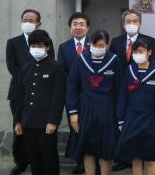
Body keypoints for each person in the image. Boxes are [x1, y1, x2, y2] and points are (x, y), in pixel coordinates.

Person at [66, 29, 122, 175]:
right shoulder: (80, 59)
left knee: (106, 152)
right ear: (90, 43)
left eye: (102, 45)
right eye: (95, 44)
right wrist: (73, 112)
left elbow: (120, 89)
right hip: (86, 109)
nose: (98, 47)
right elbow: (72, 86)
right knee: (87, 150)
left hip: (108, 110)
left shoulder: (114, 60)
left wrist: (120, 115)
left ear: (108, 45)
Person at [6, 9, 55, 175]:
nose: (28, 22)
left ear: (38, 23)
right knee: (20, 129)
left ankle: (39, 163)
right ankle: (21, 162)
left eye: (31, 20)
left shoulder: (46, 42)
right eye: (25, 19)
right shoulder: (13, 42)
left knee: (40, 136)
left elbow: (51, 63)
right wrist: (26, 78)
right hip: (19, 93)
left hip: (42, 95)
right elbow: (11, 66)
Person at [109, 9, 155, 171]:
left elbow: (152, 67)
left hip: (141, 91)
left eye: (134, 21)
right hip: (120, 90)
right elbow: (112, 65)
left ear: (140, 23)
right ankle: (124, 158)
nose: (131, 24)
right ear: (123, 24)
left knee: (140, 126)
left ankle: (141, 157)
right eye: (128, 21)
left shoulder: (149, 40)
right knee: (122, 124)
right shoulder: (115, 42)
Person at [14, 30, 66, 175]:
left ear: (47, 47)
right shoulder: (25, 68)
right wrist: (18, 121)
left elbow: (58, 97)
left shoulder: (56, 67)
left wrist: (53, 121)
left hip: (46, 122)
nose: (36, 48)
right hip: (28, 122)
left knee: (49, 158)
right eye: (33, 45)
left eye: (39, 45)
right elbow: (21, 97)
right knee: (34, 158)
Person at [115, 37, 155, 175]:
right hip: (132, 119)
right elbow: (123, 95)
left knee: (151, 159)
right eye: (135, 51)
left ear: (149, 52)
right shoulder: (130, 70)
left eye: (141, 51)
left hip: (151, 120)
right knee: (136, 158)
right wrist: (121, 119)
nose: (137, 54)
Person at [57, 12, 91, 174]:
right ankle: (79, 161)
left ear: (87, 28)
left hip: (92, 95)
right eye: (75, 24)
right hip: (72, 95)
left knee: (92, 128)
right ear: (70, 27)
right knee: (75, 127)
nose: (78, 27)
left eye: (82, 24)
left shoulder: (94, 45)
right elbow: (61, 72)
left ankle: (93, 160)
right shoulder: (64, 47)